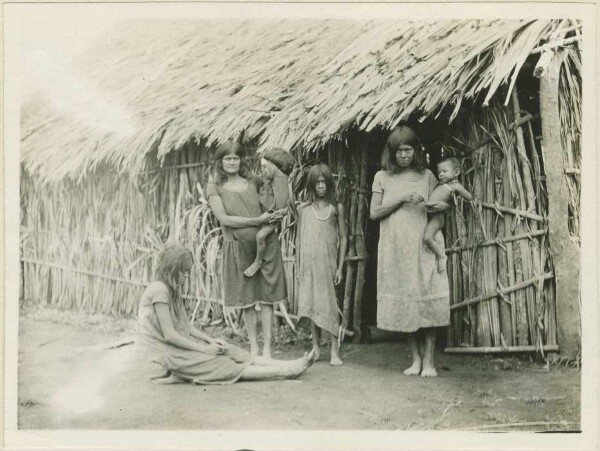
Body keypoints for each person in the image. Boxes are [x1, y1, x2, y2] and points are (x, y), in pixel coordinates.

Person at [137, 245, 316, 384]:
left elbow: (187, 327)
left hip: (178, 348)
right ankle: (285, 372)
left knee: (227, 349)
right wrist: (205, 349)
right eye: (184, 272)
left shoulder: (173, 290)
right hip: (169, 353)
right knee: (220, 365)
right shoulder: (160, 290)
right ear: (172, 269)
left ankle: (288, 364)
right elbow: (169, 336)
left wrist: (210, 341)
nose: (186, 277)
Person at [369, 126, 450, 378]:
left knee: (426, 299)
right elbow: (374, 212)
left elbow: (442, 207)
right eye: (399, 151)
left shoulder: (427, 176)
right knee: (407, 303)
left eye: (408, 150)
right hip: (396, 249)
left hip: (423, 245)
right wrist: (401, 198)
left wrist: (436, 205)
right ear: (391, 154)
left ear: (415, 151)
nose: (404, 155)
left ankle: (429, 361)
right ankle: (415, 359)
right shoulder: (382, 177)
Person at [206, 141, 286, 359]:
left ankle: (268, 350)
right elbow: (224, 219)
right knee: (247, 301)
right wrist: (256, 220)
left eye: (236, 158)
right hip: (237, 248)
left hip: (265, 246)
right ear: (220, 162)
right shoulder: (214, 187)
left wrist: (268, 223)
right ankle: (254, 348)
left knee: (267, 299)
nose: (232, 163)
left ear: (242, 160)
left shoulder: (255, 181)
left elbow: (276, 203)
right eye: (227, 159)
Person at [296, 163, 347, 366]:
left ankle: (335, 350)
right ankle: (316, 347)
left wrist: (341, 267)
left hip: (328, 264)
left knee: (330, 305)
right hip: (308, 265)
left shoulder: (336, 208)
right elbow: (299, 238)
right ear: (311, 185)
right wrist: (300, 265)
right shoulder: (303, 209)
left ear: (329, 184)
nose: (320, 186)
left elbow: (343, 238)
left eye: (323, 182)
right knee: (311, 304)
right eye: (316, 183)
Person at [243, 148, 296, 278]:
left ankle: (257, 262)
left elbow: (282, 203)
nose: (263, 171)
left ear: (275, 167)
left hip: (274, 215)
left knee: (260, 236)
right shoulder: (271, 179)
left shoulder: (281, 179)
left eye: (265, 167)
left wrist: (275, 213)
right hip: (269, 212)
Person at [423, 156, 472, 272]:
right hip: (431, 215)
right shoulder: (440, 185)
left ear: (456, 172)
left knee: (427, 237)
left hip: (437, 217)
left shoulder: (455, 186)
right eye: (439, 172)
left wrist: (459, 195)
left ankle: (441, 256)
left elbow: (469, 197)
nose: (440, 174)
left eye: (444, 171)